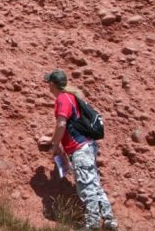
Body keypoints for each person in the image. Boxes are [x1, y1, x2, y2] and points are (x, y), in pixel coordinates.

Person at [44, 69, 118, 230]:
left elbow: (62, 124)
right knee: (94, 183)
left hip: (79, 149)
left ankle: (92, 224)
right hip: (88, 146)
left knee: (85, 185)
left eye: (48, 84)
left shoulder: (62, 98)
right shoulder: (72, 97)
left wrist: (53, 144)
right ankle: (109, 220)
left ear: (51, 84)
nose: (48, 88)